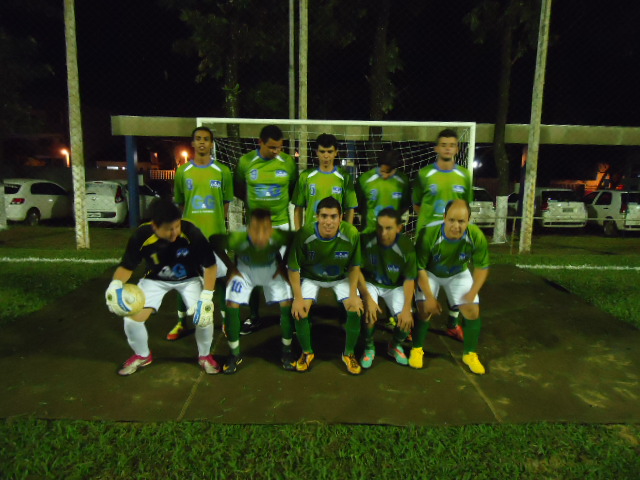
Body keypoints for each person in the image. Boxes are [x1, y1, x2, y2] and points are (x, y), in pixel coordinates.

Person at [105, 198, 219, 376]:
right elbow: (127, 267)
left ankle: (205, 355)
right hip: (155, 279)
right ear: (154, 226)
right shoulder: (141, 236)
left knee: (204, 317)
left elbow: (210, 266)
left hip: (189, 279)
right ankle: (142, 355)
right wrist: (115, 284)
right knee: (132, 319)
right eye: (168, 229)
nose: (174, 233)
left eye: (177, 227)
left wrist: (207, 297)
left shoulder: (191, 232)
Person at [166, 126, 233, 341]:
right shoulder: (183, 171)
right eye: (198, 139)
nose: (202, 142)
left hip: (215, 236)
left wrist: (217, 223)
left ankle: (225, 322)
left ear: (212, 144)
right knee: (184, 278)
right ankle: (181, 322)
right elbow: (181, 203)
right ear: (193, 143)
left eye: (206, 139)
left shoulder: (222, 171)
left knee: (220, 279)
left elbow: (226, 203)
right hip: (190, 237)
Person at [211, 209, 296, 374]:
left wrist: (282, 264)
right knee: (231, 304)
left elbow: (293, 239)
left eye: (266, 229)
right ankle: (234, 353)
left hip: (271, 269)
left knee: (287, 302)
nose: (261, 234)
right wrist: (230, 267)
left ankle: (287, 351)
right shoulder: (238, 237)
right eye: (256, 229)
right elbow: (214, 241)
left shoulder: (278, 235)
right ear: (248, 228)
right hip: (245, 272)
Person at [287, 196, 366, 375]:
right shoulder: (304, 234)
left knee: (355, 308)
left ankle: (349, 353)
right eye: (324, 216)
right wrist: (298, 298)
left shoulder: (352, 233)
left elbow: (354, 266)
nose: (328, 222)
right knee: (300, 310)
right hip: (311, 276)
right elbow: (293, 268)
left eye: (333, 216)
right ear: (317, 217)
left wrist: (354, 294)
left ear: (341, 217)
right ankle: (306, 352)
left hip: (340, 277)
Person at [411, 199, 490, 375]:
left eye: (461, 221)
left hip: (458, 272)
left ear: (468, 220)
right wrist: (430, 298)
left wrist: (472, 293)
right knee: (424, 309)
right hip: (431, 272)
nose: (456, 226)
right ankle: (417, 349)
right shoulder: (428, 234)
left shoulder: (476, 235)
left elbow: (481, 267)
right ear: (444, 217)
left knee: (472, 310)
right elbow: (420, 268)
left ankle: (469, 354)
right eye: (452, 220)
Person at [234, 125, 298, 335]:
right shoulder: (246, 162)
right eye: (272, 147)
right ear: (260, 142)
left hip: (281, 224)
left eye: (279, 147)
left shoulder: (288, 163)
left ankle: (287, 317)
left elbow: (292, 188)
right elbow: (239, 188)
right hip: (256, 228)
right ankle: (254, 317)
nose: (276, 151)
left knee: (285, 272)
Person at [412, 129, 473, 340]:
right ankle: (416, 322)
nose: (447, 148)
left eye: (452, 145)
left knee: (455, 278)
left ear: (457, 149)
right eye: (444, 145)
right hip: (428, 239)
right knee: (424, 281)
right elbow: (417, 204)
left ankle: (453, 323)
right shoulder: (424, 174)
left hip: (454, 239)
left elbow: (466, 207)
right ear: (436, 148)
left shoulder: (464, 176)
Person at [358, 208, 417, 368]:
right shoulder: (366, 241)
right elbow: (356, 271)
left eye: (389, 228)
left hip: (395, 286)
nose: (383, 233)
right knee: (369, 314)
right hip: (371, 283)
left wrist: (407, 309)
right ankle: (369, 347)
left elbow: (409, 279)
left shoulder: (406, 246)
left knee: (406, 322)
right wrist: (367, 298)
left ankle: (394, 345)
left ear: (399, 228)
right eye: (380, 228)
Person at [292, 133, 358, 229]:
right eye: (322, 151)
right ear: (316, 152)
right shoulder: (305, 176)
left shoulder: (345, 177)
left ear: (336, 152)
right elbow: (298, 208)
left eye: (330, 152)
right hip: (311, 233)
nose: (326, 156)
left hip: (334, 233)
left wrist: (347, 233)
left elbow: (350, 208)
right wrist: (299, 233)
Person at [356, 150, 411, 234]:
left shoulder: (403, 181)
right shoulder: (364, 179)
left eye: (388, 172)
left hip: (392, 234)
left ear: (395, 169)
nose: (385, 175)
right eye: (382, 171)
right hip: (369, 233)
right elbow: (358, 206)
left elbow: (405, 206)